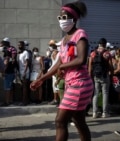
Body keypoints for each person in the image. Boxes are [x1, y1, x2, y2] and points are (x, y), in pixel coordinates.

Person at [30, 1, 93, 140]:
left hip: (80, 83)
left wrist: (62, 67)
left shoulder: (80, 34)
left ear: (74, 19)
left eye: (65, 17)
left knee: (60, 121)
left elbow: (81, 59)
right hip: (72, 83)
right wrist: (41, 79)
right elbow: (58, 63)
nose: (62, 21)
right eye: (60, 18)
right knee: (79, 121)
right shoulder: (64, 40)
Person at [88, 38, 113, 118]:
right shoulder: (107, 53)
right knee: (105, 93)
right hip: (105, 75)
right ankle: (104, 113)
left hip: (96, 75)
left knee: (96, 93)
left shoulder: (93, 53)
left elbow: (90, 66)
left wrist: (90, 75)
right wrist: (111, 74)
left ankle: (94, 112)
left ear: (98, 44)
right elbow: (111, 66)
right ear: (105, 44)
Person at [0, 38, 18, 107]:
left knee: (7, 88)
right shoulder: (11, 50)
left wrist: (3, 71)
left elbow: (6, 62)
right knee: (10, 87)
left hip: (8, 72)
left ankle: (7, 102)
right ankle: (10, 100)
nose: (0, 47)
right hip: (12, 71)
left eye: (1, 45)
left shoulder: (7, 52)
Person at [17, 41, 30, 106]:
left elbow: (27, 62)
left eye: (20, 45)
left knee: (24, 87)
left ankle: (24, 101)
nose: (19, 46)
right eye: (18, 45)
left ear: (23, 46)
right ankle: (24, 100)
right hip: (20, 71)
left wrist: (25, 72)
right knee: (22, 87)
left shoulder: (26, 53)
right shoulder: (19, 53)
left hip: (25, 72)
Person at [48, 40, 60, 106]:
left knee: (57, 87)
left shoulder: (55, 52)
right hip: (53, 71)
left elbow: (56, 63)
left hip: (55, 72)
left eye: (51, 45)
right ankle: (55, 100)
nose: (50, 47)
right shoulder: (53, 52)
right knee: (54, 87)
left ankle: (59, 101)